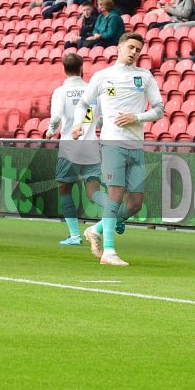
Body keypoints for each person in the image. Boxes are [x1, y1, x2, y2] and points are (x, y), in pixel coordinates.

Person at [74, 32, 164, 266]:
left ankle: (96, 229)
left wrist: (137, 117)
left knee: (135, 203)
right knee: (115, 196)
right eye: (130, 47)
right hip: (112, 143)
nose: (134, 52)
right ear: (119, 47)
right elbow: (84, 103)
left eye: (138, 49)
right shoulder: (103, 76)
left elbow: (159, 109)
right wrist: (78, 125)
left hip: (136, 146)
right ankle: (109, 252)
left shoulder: (144, 77)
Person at [45, 53, 102, 246]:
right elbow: (100, 119)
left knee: (65, 189)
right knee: (94, 192)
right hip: (91, 145)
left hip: (70, 146)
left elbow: (55, 117)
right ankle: (116, 213)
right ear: (81, 68)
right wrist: (90, 125)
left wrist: (50, 131)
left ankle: (75, 236)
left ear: (64, 69)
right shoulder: (92, 91)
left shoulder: (60, 92)